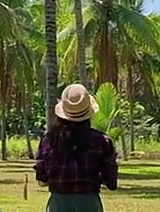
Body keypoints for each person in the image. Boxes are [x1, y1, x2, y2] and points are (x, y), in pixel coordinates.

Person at [34, 83, 118, 212]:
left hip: (58, 204)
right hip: (89, 204)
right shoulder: (102, 141)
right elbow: (111, 182)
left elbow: (42, 179)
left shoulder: (49, 141)